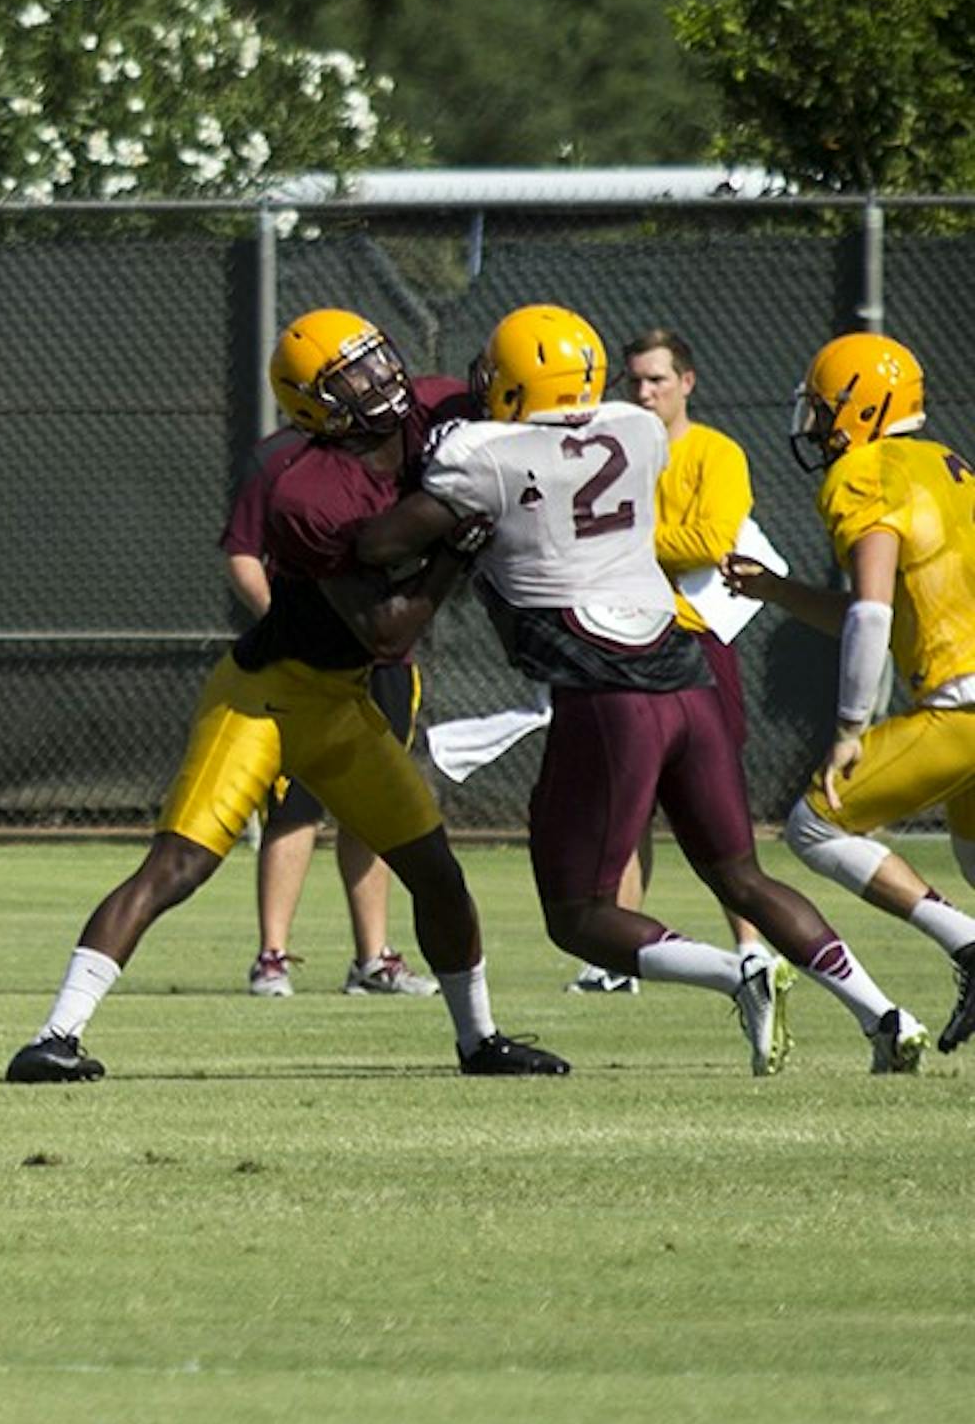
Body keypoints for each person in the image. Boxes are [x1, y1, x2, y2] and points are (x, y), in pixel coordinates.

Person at [357, 302, 929, 1076]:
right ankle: (886, 1014)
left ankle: (738, 972)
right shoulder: (636, 428)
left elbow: (380, 541)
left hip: (606, 695)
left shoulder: (483, 456)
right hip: (686, 671)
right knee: (742, 875)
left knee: (578, 917)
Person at [5, 307, 570, 1083]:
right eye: (354, 377)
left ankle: (479, 1041)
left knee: (437, 870)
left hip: (343, 707)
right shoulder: (307, 490)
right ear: (315, 404)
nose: (381, 381)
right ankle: (54, 1036)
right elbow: (385, 633)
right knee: (178, 865)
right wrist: (456, 550)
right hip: (266, 698)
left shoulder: (438, 410)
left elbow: (514, 402)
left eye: (377, 360)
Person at [722, 329, 975, 1056]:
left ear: (862, 407)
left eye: (827, 408)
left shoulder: (866, 471)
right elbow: (871, 604)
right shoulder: (945, 464)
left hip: (959, 705)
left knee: (815, 826)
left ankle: (966, 944)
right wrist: (775, 591)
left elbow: (871, 612)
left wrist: (849, 724)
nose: (816, 424)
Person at [568, 326, 767, 994]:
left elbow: (711, 539)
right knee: (624, 797)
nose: (645, 392)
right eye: (635, 381)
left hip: (695, 638)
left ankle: (751, 947)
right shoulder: (614, 451)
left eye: (657, 379)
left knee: (714, 804)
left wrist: (624, 541)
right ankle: (618, 953)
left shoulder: (717, 452)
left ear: (688, 381)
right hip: (621, 636)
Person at [221, 434, 439, 999]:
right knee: (296, 807)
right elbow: (243, 553)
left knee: (375, 808)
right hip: (303, 667)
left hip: (381, 664)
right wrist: (289, 622)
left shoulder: (403, 454)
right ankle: (272, 957)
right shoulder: (281, 460)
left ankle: (373, 959)